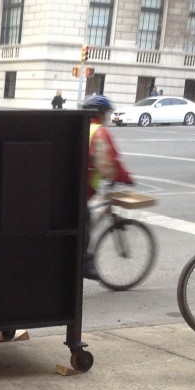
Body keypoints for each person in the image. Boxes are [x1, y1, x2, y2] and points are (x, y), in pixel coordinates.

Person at [82, 95, 133, 280]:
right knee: (84, 220)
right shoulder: (99, 132)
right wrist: (126, 178)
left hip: (74, 185)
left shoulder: (83, 127)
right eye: (106, 113)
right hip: (81, 189)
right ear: (101, 113)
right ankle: (84, 264)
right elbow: (109, 162)